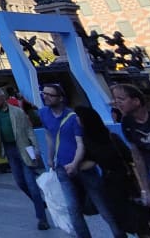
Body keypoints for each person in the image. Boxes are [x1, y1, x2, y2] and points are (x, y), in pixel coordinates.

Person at [37, 84, 120, 238]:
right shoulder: (43, 113)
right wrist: (49, 157)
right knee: (72, 208)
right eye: (44, 93)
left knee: (103, 207)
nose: (46, 97)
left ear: (61, 98)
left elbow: (80, 143)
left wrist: (75, 163)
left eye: (50, 94)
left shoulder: (74, 117)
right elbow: (49, 135)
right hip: (62, 167)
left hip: (83, 166)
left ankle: (119, 234)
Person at [73, 106, 150, 238]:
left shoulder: (102, 138)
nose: (76, 119)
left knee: (136, 217)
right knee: (128, 218)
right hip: (116, 183)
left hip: (123, 182)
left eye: (78, 117)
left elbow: (130, 160)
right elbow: (93, 160)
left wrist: (144, 188)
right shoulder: (95, 139)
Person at [0, 86, 48, 230]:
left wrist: (36, 149)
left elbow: (29, 131)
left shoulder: (17, 112)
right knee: (20, 182)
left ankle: (42, 218)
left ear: (4, 97)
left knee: (31, 184)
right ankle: (38, 201)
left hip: (23, 148)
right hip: (9, 150)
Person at [112, 82, 150, 208]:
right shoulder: (127, 123)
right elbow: (137, 157)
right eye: (115, 100)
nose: (117, 103)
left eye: (121, 99)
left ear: (136, 101)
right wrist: (146, 189)